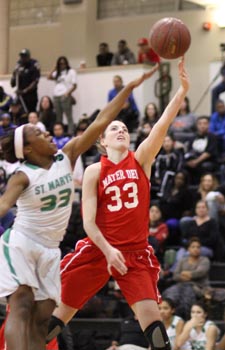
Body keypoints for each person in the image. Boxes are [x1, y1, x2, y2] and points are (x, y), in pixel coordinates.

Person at [0, 65, 159, 350]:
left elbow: (101, 120)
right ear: (29, 149)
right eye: (39, 133)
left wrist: (129, 88)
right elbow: (2, 205)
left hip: (50, 250)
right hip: (22, 243)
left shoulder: (67, 156)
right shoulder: (23, 175)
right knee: (22, 303)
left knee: (43, 321)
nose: (47, 134)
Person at [47, 57, 189, 350]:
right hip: (98, 250)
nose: (121, 131)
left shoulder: (141, 160)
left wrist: (181, 92)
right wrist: (108, 250)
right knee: (53, 321)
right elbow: (87, 221)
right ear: (102, 140)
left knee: (157, 332)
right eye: (114, 128)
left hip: (135, 254)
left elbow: (161, 127)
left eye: (124, 128)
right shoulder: (94, 171)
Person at [162, 237, 210, 320]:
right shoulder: (182, 260)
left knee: (187, 296)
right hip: (180, 285)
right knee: (169, 293)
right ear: (188, 249)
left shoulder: (204, 260)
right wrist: (188, 275)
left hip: (197, 287)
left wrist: (186, 274)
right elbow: (175, 276)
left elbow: (200, 273)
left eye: (198, 247)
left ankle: (186, 319)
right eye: (193, 247)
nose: (196, 249)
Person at [47, 56, 77, 135]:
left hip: (65, 95)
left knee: (69, 116)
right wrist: (55, 68)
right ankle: (59, 133)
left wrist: (67, 93)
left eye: (63, 63)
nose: (62, 65)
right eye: (60, 64)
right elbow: (49, 77)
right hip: (56, 96)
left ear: (66, 63)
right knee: (58, 117)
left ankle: (71, 133)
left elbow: (74, 85)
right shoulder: (57, 73)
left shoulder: (71, 71)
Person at [185, 116, 218, 184]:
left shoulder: (213, 137)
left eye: (205, 123)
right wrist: (189, 161)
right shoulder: (192, 137)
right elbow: (189, 152)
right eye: (200, 124)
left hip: (207, 161)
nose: (202, 126)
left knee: (203, 166)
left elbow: (208, 153)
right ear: (197, 125)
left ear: (209, 125)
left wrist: (196, 161)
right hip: (194, 159)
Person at [10, 48, 40, 113]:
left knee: (30, 113)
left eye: (24, 56)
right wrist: (15, 75)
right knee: (20, 114)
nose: (23, 58)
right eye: (21, 56)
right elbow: (12, 84)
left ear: (28, 57)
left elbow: (35, 82)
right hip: (20, 96)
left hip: (30, 95)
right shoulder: (18, 64)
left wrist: (24, 91)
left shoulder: (34, 64)